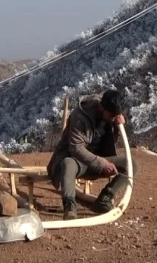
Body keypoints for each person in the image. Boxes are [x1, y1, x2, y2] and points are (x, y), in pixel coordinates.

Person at [46, 89, 139, 220]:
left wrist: (119, 124)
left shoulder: (112, 115)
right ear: (101, 107)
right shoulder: (80, 116)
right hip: (77, 160)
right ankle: (69, 206)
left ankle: (105, 197)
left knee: (131, 165)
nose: (113, 118)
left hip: (99, 159)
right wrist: (101, 163)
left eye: (115, 115)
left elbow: (113, 134)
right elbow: (75, 148)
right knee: (68, 164)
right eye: (111, 115)